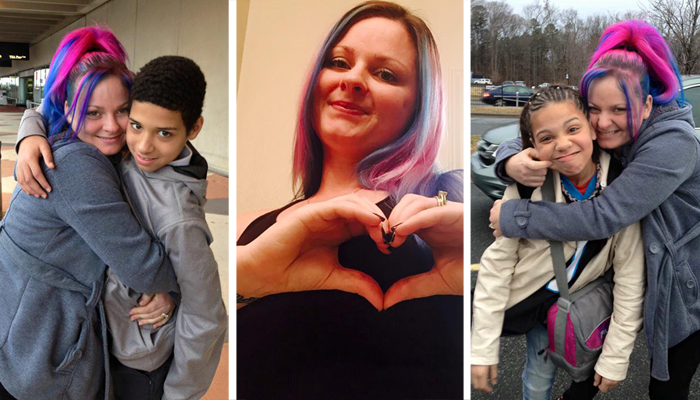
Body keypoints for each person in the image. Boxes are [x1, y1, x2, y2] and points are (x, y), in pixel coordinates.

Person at [236, 1, 464, 398]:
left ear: (419, 107)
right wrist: (242, 282)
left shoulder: (439, 214)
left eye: (386, 74)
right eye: (340, 62)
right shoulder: (246, 230)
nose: (354, 80)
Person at [489, 20, 700, 399]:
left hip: (685, 292)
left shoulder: (673, 144)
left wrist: (516, 216)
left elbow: (603, 215)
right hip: (631, 277)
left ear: (648, 104)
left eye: (618, 109)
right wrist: (510, 160)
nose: (602, 123)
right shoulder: (622, 133)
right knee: (587, 366)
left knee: (667, 386)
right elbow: (549, 122)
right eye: (594, 109)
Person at [15, 56, 229, 399]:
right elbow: (63, 105)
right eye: (138, 125)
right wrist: (29, 133)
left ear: (193, 129)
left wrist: (178, 394)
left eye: (164, 133)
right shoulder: (126, 153)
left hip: (142, 358)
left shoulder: (179, 218)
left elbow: (206, 315)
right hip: (111, 340)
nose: (142, 144)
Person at [0, 26, 177, 400]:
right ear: (66, 108)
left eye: (123, 110)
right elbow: (143, 266)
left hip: (22, 334)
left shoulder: (68, 140)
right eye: (93, 112)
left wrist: (30, 128)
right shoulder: (76, 166)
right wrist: (175, 288)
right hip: (38, 353)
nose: (112, 126)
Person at [471, 86, 645, 399]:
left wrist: (617, 359)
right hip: (537, 304)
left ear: (592, 129)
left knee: (584, 367)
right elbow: (496, 267)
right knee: (538, 380)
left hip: (585, 301)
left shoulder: (622, 190)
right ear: (533, 147)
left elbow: (630, 279)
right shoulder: (526, 189)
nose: (563, 144)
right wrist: (482, 348)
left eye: (573, 129)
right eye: (547, 138)